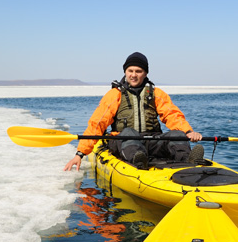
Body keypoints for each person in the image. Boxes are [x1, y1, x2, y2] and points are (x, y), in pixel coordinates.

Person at [64, 52, 203, 172]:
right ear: (125, 72)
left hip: (151, 140)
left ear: (145, 73)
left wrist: (188, 132)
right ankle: (138, 161)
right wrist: (80, 153)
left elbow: (172, 115)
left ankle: (188, 161)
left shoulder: (156, 94)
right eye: (130, 71)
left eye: (138, 71)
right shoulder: (114, 94)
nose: (133, 75)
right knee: (129, 133)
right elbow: (97, 123)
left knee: (177, 134)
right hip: (123, 141)